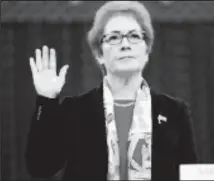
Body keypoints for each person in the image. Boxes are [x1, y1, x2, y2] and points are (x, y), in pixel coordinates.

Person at [25, 1, 198, 180]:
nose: (125, 44)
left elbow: (190, 175)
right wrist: (46, 100)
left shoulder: (174, 112)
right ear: (99, 54)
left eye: (134, 36)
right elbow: (40, 167)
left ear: (146, 51)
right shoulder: (75, 110)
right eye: (114, 37)